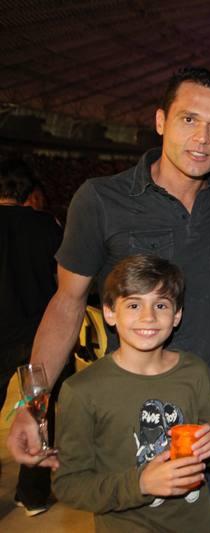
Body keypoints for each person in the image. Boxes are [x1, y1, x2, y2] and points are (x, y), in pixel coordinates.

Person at [6, 66, 210, 532]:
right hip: (141, 410)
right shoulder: (101, 199)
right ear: (160, 120)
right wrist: (32, 406)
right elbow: (66, 303)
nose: (202, 139)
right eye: (189, 120)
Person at [53, 254, 210, 532]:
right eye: (134, 304)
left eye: (161, 305)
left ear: (177, 315)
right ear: (110, 312)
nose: (148, 317)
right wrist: (140, 484)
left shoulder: (195, 371)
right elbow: (68, 484)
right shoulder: (81, 390)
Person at [1, 159, 64, 517]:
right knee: (38, 413)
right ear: (29, 191)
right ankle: (33, 495)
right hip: (37, 335)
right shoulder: (47, 225)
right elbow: (61, 281)